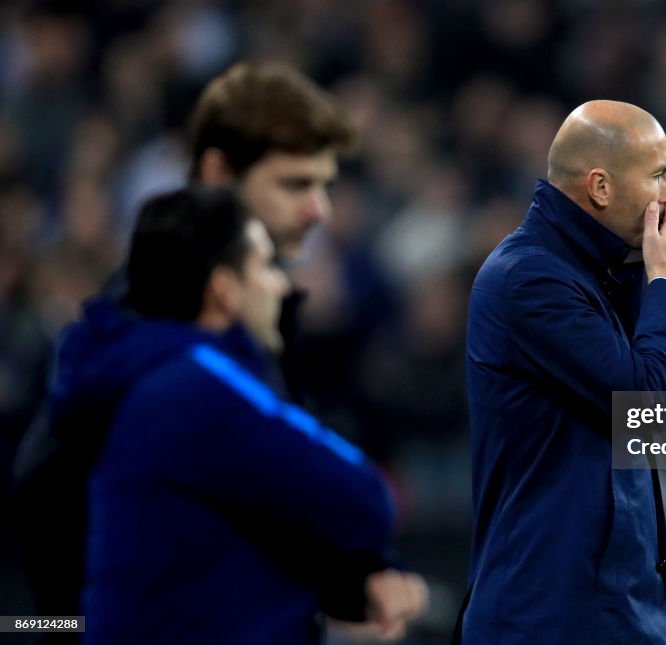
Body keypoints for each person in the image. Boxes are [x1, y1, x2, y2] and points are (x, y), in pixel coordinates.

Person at [10, 61, 398, 631]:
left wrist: (352, 582)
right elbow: (45, 486)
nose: (321, 210)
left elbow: (262, 502)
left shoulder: (249, 323)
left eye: (325, 184)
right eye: (296, 184)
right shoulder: (146, 327)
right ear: (218, 174)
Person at [76, 186, 424, 642]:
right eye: (264, 266)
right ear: (225, 290)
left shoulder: (149, 375)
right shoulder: (201, 385)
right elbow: (365, 496)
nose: (281, 283)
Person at [458, 101, 666, 643]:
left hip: (610, 609)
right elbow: (644, 408)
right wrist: (662, 282)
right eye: (659, 174)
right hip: (547, 615)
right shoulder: (530, 280)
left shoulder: (599, 275)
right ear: (601, 187)